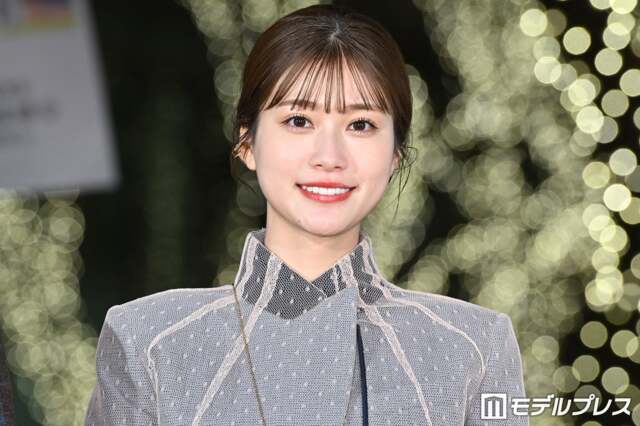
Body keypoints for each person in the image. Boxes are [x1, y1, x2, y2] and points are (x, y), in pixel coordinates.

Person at [85, 4, 528, 425]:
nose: (329, 156)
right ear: (246, 142)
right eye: (299, 120)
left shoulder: (473, 346)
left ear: (396, 153)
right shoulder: (148, 340)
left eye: (361, 125)